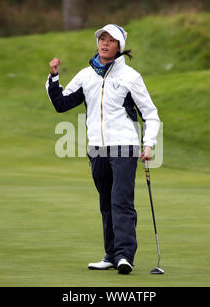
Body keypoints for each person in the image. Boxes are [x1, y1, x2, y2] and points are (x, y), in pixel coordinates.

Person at [46, 24, 160, 274]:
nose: (104, 44)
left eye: (110, 40)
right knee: (106, 203)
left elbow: (150, 114)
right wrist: (54, 77)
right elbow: (62, 104)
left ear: (119, 46)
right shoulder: (86, 75)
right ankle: (111, 254)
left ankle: (125, 256)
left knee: (121, 201)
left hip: (125, 148)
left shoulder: (130, 77)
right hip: (97, 150)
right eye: (101, 39)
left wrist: (149, 143)